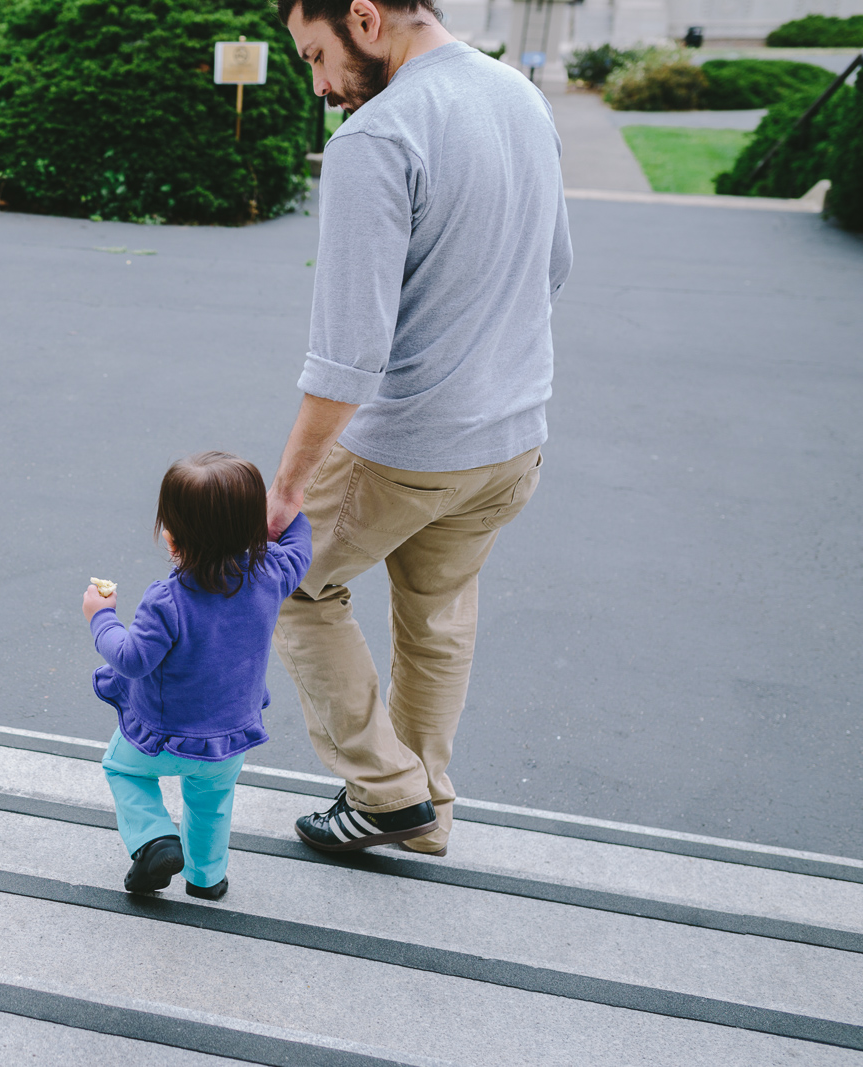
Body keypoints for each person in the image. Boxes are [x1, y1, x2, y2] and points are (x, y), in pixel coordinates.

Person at [269, 0, 573, 856]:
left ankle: (387, 789)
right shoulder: (519, 95)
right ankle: (426, 806)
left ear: (364, 17)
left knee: (284, 581)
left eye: (316, 55)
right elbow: (557, 265)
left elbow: (347, 356)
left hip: (411, 446)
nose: (322, 85)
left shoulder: (377, 137)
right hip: (513, 439)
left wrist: (286, 490)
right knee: (437, 613)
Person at [83, 452, 312, 898]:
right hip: (228, 737)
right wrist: (288, 506)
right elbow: (300, 544)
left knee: (123, 771)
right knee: (210, 804)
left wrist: (102, 618)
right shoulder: (273, 574)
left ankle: (153, 840)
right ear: (255, 526)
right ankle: (206, 878)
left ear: (171, 537)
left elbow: (131, 660)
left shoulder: (166, 601)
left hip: (158, 737)